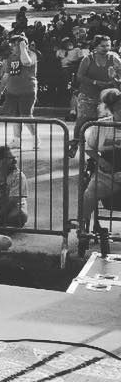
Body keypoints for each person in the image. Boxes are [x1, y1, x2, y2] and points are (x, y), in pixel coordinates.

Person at [76, 87, 121, 256]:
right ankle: (83, 231)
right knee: (88, 194)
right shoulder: (101, 125)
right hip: (106, 175)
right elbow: (89, 149)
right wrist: (101, 160)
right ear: (112, 109)